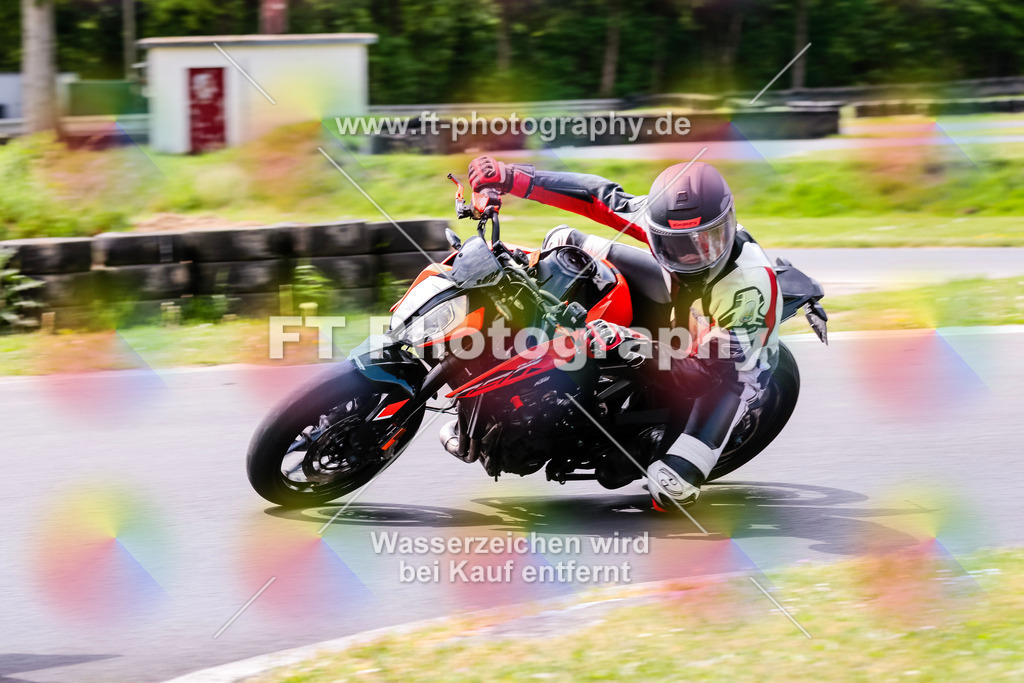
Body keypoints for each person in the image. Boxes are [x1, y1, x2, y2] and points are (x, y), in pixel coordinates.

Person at [467, 156, 782, 509]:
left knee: (669, 489)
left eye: (705, 242)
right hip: (680, 303)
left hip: (727, 372)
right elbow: (597, 196)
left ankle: (650, 445)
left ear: (728, 225)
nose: (691, 255)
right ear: (659, 232)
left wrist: (633, 344)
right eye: (675, 245)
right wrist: (509, 176)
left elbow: (703, 377)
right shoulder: (661, 220)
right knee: (565, 244)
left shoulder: (749, 291)